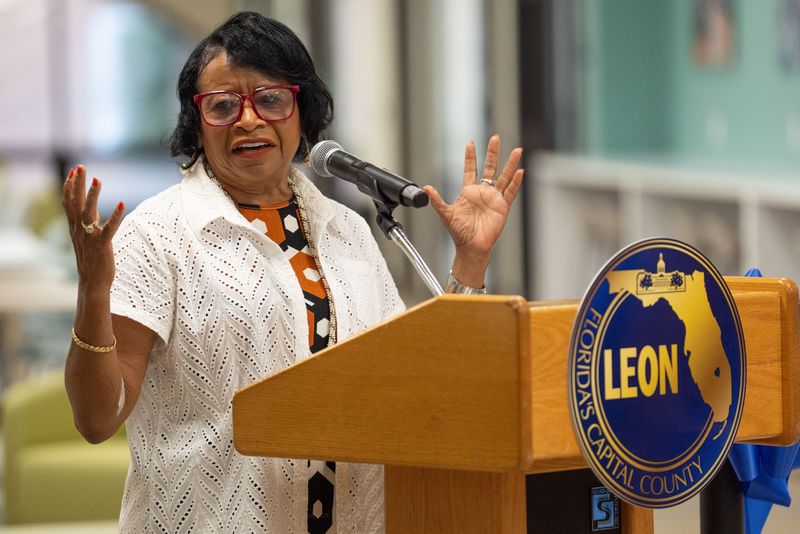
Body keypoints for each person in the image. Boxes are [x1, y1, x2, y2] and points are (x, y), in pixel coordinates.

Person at [61, 11, 524, 534]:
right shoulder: (159, 232)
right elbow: (97, 419)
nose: (248, 120)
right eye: (223, 106)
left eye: (271, 99)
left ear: (302, 113)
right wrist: (93, 289)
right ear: (197, 124)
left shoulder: (347, 229)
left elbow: (418, 379)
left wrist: (470, 261)